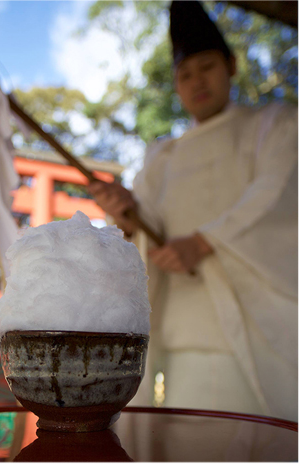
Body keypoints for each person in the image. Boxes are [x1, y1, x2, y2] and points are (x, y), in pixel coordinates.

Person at [89, 0, 297, 421]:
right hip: (186, 333)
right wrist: (127, 218)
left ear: (232, 66)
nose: (196, 81)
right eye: (185, 75)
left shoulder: (275, 126)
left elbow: (278, 193)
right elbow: (145, 231)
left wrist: (203, 242)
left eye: (207, 67)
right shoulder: (162, 156)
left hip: (260, 329)